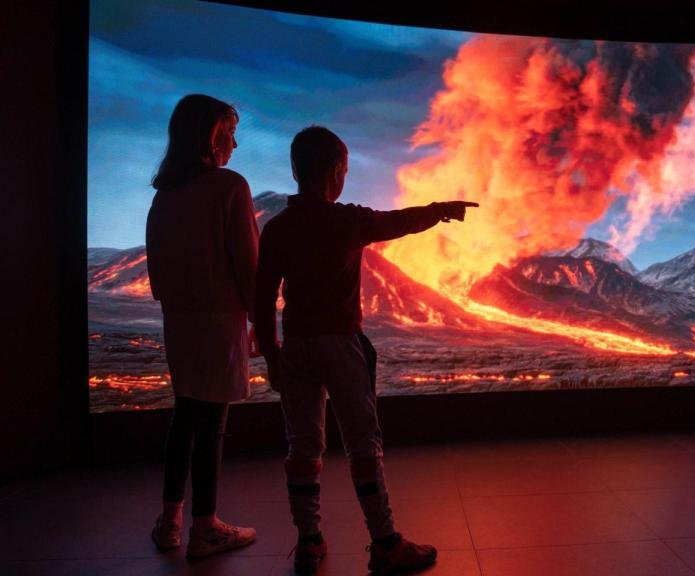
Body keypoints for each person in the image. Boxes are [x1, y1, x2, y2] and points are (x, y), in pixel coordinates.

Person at [253, 125, 476, 575]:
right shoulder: (345, 220)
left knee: (303, 447)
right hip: (341, 345)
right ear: (336, 171)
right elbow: (398, 222)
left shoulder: (277, 229)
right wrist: (441, 211)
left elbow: (261, 296)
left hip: (295, 347)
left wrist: (273, 354)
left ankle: (310, 543)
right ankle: (385, 542)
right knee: (362, 445)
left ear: (296, 170)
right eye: (345, 170)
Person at [146, 94, 259, 559]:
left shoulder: (164, 195)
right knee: (212, 423)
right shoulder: (229, 187)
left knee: (184, 417)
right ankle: (205, 527)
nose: (235, 143)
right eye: (229, 133)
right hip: (219, 323)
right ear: (209, 138)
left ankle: (170, 520)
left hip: (180, 322)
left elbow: (156, 275)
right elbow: (249, 266)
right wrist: (259, 321)